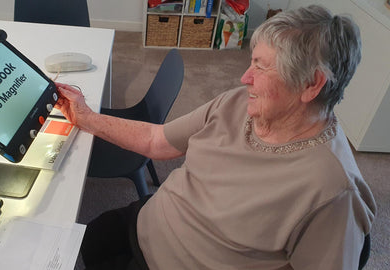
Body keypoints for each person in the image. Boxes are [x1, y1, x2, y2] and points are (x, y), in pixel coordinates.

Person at [55, 4, 376, 270]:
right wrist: (88, 118)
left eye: (262, 68)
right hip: (150, 223)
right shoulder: (238, 103)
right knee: (91, 237)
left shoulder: (333, 194)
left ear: (311, 85)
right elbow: (157, 141)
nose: (244, 77)